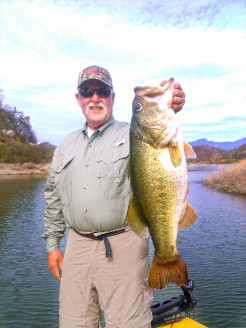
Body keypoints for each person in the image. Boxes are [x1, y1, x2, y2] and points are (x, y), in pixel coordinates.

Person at [42, 65, 186, 328]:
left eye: (102, 91)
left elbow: (160, 136)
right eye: (87, 91)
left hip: (124, 245)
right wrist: (53, 245)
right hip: (77, 248)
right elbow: (52, 198)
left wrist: (171, 105)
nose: (95, 98)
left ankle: (167, 258)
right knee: (74, 322)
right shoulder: (64, 145)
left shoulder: (132, 132)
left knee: (128, 323)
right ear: (79, 98)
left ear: (112, 97)